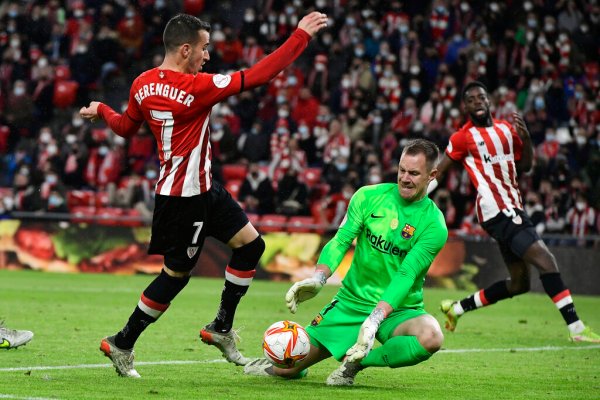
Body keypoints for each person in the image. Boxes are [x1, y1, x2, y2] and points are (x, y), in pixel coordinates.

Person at [80, 11, 328, 378]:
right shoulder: (197, 87)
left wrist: (102, 108)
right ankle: (122, 342)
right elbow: (259, 75)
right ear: (184, 50)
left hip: (203, 188)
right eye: (203, 49)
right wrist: (300, 37)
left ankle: (221, 328)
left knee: (251, 246)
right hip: (184, 198)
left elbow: (125, 128)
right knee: (176, 275)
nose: (207, 56)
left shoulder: (142, 84)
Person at [244, 139, 448, 385]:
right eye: (402, 170)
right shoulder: (368, 196)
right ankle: (281, 364)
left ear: (432, 175)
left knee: (431, 337)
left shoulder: (434, 224)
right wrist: (318, 278)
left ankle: (356, 363)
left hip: (399, 309)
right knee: (287, 369)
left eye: (414, 173)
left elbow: (406, 274)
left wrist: (374, 320)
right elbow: (340, 241)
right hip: (351, 302)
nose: (405, 178)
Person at [430, 81, 600, 343]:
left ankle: (457, 308)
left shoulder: (506, 130)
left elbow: (527, 165)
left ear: (489, 101)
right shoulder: (463, 137)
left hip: (513, 206)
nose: (477, 102)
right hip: (495, 209)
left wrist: (527, 138)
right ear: (465, 106)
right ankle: (576, 328)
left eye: (481, 97)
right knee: (546, 260)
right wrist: (418, 194)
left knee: (519, 284)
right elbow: (439, 171)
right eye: (471, 99)